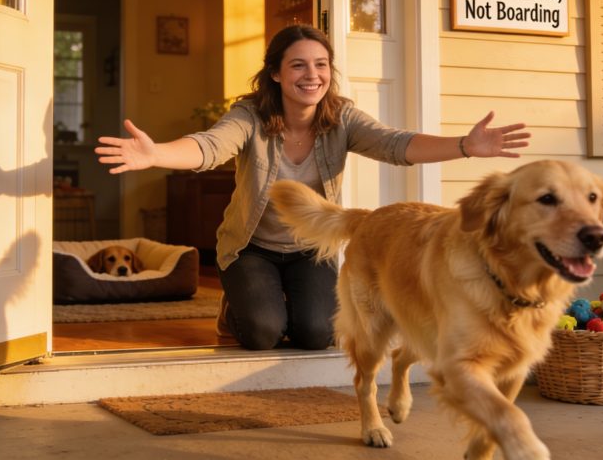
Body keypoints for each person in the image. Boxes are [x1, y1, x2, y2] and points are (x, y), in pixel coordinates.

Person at [95, 24, 530, 351]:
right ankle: (236, 307)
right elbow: (210, 147)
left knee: (316, 334)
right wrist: (158, 154)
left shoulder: (342, 118)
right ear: (277, 74)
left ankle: (281, 302)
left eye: (321, 65)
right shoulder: (249, 116)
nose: (312, 75)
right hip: (252, 248)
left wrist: (464, 146)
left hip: (311, 247)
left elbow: (397, 145)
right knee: (263, 333)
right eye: (298, 65)